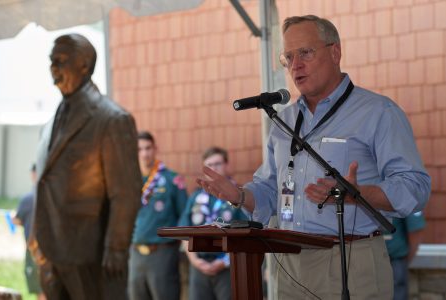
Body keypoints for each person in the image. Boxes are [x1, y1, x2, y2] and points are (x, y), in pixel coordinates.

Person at [197, 15, 431, 299]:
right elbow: (270, 189)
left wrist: (358, 193)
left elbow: (415, 187)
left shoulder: (378, 113)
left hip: (350, 261)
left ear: (335, 52)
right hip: (289, 264)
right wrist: (239, 195)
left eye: (306, 52)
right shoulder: (283, 122)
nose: (296, 65)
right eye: (289, 57)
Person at [32, 33, 142, 300]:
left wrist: (116, 248)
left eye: (60, 60)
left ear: (83, 64)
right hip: (53, 250)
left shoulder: (112, 119)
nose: (53, 68)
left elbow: (126, 191)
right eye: (50, 61)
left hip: (90, 252)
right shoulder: (53, 120)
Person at [179, 146, 248, 300]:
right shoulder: (195, 198)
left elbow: (246, 236)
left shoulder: (238, 197)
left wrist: (224, 262)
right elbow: (185, 233)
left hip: (228, 267)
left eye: (217, 164)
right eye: (209, 165)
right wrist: (196, 262)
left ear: (227, 166)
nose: (213, 168)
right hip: (199, 267)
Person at [128, 131, 188, 300]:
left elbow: (184, 215)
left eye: (148, 148)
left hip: (162, 253)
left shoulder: (172, 180)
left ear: (155, 149)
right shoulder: (128, 181)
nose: (144, 153)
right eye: (140, 149)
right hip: (135, 253)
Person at [12, 164, 46, 300]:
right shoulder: (57, 199)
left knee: (41, 289)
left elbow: (17, 220)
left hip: (34, 249)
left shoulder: (28, 199)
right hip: (55, 249)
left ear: (34, 174)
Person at [385, 212, 426, 300]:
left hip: (396, 260)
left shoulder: (408, 199)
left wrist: (407, 258)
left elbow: (416, 231)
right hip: (370, 258)